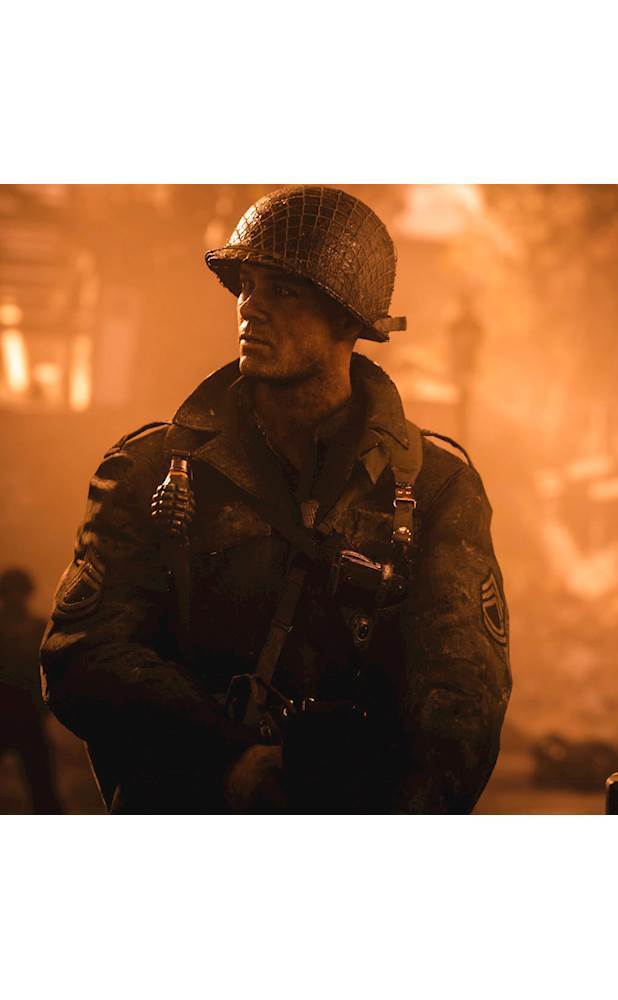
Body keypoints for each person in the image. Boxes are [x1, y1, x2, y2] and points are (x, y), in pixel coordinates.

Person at [40, 185, 512, 813]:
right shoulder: (148, 469)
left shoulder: (435, 488)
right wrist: (227, 762)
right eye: (247, 286)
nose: (250, 308)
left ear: (348, 319)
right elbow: (82, 654)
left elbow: (461, 705)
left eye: (284, 291)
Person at [0, 568, 61, 813]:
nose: (15, 597)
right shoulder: (36, 628)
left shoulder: (39, 628)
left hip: (29, 715)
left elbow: (51, 671)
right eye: (10, 591)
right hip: (6, 711)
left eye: (19, 591)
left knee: (42, 786)